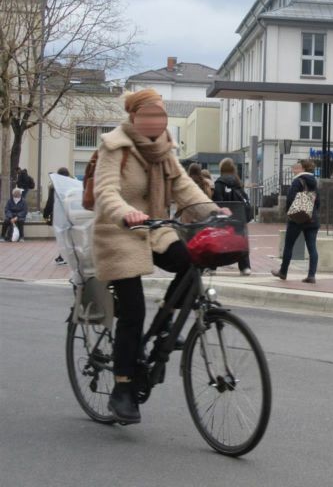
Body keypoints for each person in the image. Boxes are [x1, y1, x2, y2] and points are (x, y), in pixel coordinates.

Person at [92, 88, 217, 424]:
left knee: (191, 263)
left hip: (156, 229)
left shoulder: (164, 150)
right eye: (149, 114)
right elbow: (105, 191)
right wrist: (126, 212)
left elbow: (184, 187)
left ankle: (164, 327)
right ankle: (122, 390)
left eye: (160, 115)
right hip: (119, 232)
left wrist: (214, 211)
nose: (155, 121)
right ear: (134, 117)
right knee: (132, 310)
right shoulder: (113, 146)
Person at [271, 159, 320, 283]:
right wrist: (312, 212)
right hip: (312, 218)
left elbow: (290, 199)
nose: (294, 169)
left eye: (296, 167)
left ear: (303, 169)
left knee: (289, 245)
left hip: (297, 219)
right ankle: (311, 275)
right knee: (312, 247)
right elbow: (318, 201)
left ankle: (283, 272)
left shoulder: (298, 181)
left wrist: (290, 213)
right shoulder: (314, 182)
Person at [212, 157, 252, 276]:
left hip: (225, 217)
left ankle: (212, 267)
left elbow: (217, 201)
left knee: (217, 240)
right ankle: (245, 267)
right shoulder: (238, 182)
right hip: (239, 217)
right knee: (240, 240)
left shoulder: (219, 183)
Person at [43, 167, 71, 264]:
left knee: (61, 236)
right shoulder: (71, 184)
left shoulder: (54, 187)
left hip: (59, 215)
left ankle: (63, 256)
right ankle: (64, 256)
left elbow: (50, 201)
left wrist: (45, 213)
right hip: (70, 214)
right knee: (68, 237)